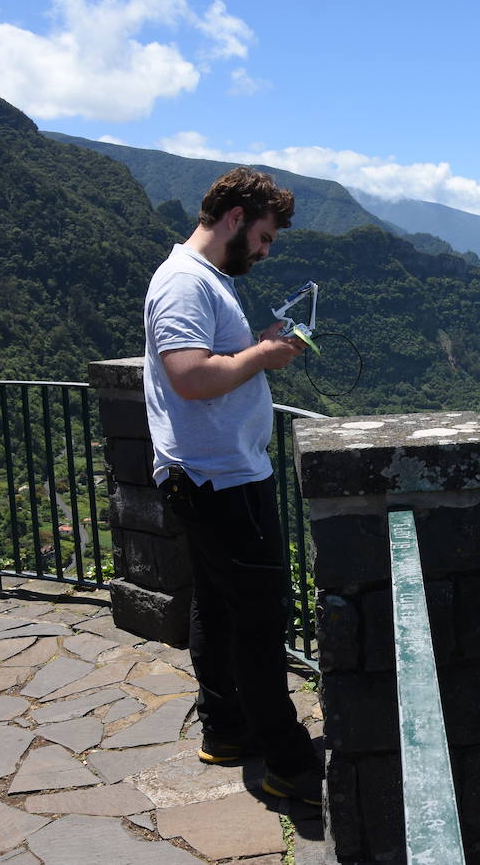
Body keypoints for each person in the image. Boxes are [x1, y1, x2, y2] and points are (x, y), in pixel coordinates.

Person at [142, 166, 320, 804]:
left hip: (207, 474)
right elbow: (190, 376)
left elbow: (212, 363)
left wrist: (255, 348)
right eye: (266, 237)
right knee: (257, 620)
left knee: (217, 609)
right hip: (222, 478)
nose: (267, 252)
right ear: (236, 218)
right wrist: (264, 357)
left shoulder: (202, 280)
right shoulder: (186, 283)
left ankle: (225, 730)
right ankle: (290, 765)